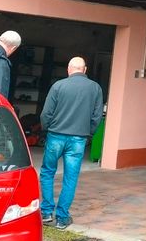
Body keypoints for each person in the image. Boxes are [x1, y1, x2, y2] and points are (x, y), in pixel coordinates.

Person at [39, 56, 103, 230]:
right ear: (85, 69)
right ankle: (62, 217)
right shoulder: (95, 88)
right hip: (78, 138)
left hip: (55, 136)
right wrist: (88, 133)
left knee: (47, 172)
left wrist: (46, 129)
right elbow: (97, 116)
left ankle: (45, 213)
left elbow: (46, 113)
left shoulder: (58, 86)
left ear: (69, 69)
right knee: (70, 177)